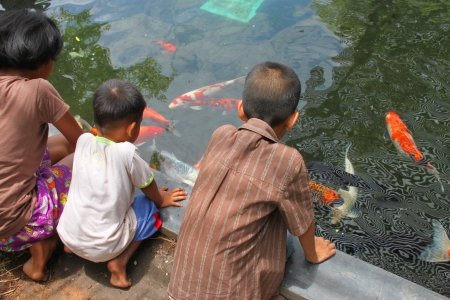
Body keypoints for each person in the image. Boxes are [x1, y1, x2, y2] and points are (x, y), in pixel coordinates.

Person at [167, 62, 336, 299]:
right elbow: (302, 220)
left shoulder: (221, 134)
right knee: (284, 240)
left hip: (180, 287)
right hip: (231, 294)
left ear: (240, 110)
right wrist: (312, 254)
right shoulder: (289, 160)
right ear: (293, 119)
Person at [57, 79, 188, 288]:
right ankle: (120, 263)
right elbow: (147, 183)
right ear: (133, 128)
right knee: (149, 208)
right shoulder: (127, 153)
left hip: (68, 235)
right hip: (105, 247)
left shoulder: (82, 142)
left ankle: (73, 246)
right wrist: (161, 198)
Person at [0, 9, 84, 281]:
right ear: (43, 62)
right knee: (84, 158)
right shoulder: (37, 89)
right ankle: (44, 245)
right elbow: (81, 142)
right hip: (13, 227)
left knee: (56, 146)